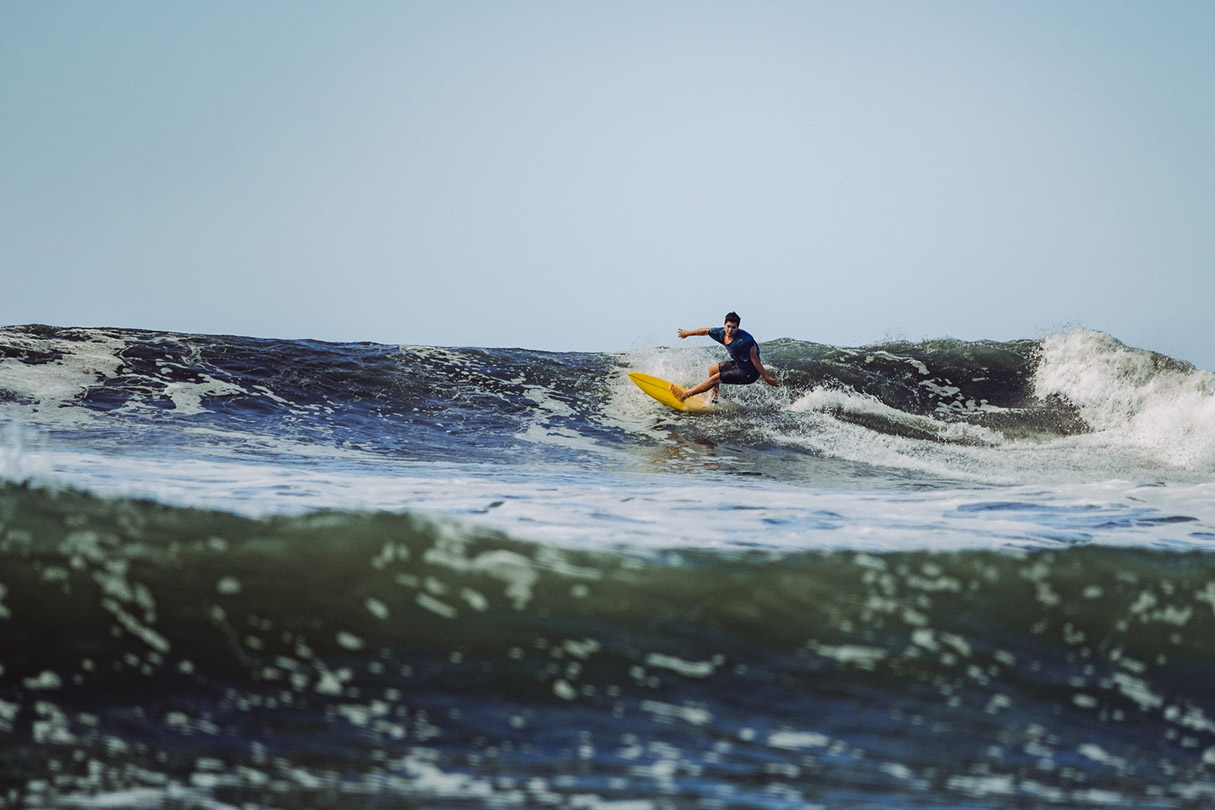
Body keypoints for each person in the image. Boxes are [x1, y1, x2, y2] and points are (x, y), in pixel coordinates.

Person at [673, 312, 779, 402]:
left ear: (738, 328)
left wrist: (766, 377)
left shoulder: (745, 341)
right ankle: (713, 399)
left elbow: (755, 359)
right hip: (739, 365)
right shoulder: (721, 333)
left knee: (715, 378)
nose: (730, 330)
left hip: (749, 373)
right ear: (724, 325)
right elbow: (705, 331)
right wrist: (687, 333)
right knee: (712, 369)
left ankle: (684, 396)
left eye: (734, 327)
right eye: (728, 326)